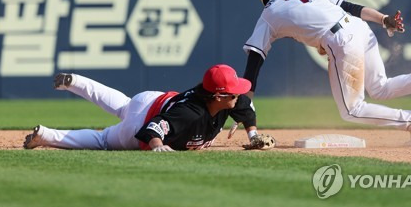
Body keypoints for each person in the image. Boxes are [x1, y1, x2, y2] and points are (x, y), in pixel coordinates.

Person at [242, 0, 411, 146]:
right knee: (380, 88)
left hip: (340, 40)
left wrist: (246, 100)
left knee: (351, 110)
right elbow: (352, 7)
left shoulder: (269, 14)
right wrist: (384, 19)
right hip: (359, 27)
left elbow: (255, 57)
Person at [23, 64, 275, 151]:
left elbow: (244, 106)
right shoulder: (190, 114)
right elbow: (152, 129)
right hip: (143, 122)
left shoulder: (221, 98)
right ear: (219, 95)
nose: (238, 95)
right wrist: (157, 146)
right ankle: (46, 135)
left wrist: (253, 135)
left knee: (123, 105)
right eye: (233, 91)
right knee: (102, 140)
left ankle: (75, 81)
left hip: (150, 99)